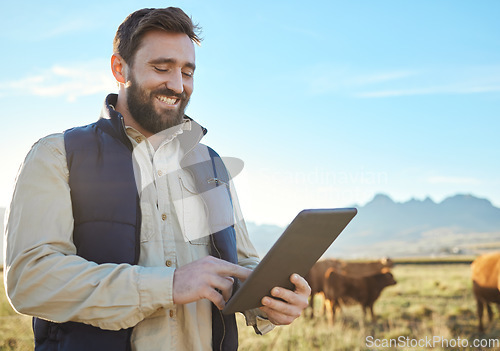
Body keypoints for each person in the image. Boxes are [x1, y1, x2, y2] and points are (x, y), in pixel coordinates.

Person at [3, 7, 310, 351]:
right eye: (161, 68)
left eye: (187, 72)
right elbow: (30, 280)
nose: (177, 85)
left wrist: (272, 299)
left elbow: (240, 266)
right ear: (120, 69)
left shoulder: (213, 167)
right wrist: (170, 285)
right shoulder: (57, 155)